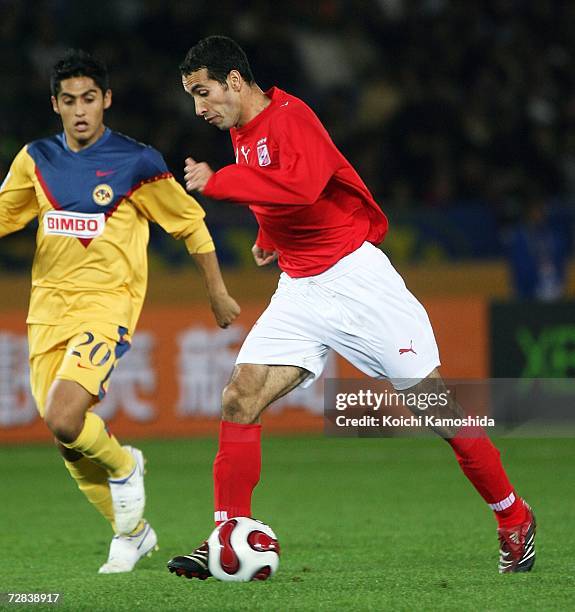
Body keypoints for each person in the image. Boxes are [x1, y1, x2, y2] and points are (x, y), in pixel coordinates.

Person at [167, 35, 535, 578]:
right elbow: (279, 195)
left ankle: (514, 516)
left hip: (357, 280)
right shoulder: (243, 132)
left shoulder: (292, 117)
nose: (199, 108)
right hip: (301, 288)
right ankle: (227, 536)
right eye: (192, 97)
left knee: (436, 409)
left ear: (236, 82)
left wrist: (220, 182)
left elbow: (302, 186)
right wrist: (269, 234)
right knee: (239, 398)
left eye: (203, 92)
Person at [0, 49, 240, 574]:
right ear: (55, 106)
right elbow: (5, 217)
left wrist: (217, 292)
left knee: (64, 416)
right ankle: (131, 532)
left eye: (90, 99)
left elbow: (190, 225)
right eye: (69, 102)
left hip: (106, 308)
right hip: (46, 313)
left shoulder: (137, 162)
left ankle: (127, 465)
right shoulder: (35, 159)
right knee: (67, 441)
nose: (80, 111)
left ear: (105, 100)